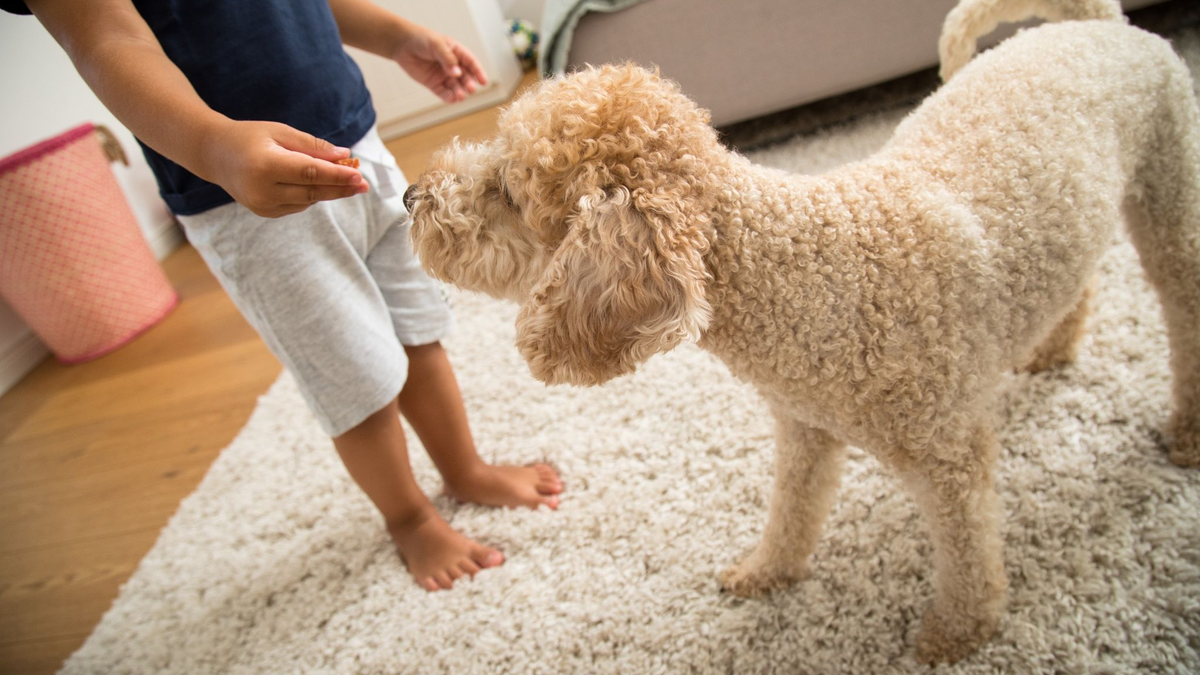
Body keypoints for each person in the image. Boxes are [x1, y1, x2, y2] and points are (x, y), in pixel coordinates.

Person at [6, 0, 563, 592]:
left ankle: (465, 470)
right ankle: (411, 518)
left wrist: (395, 35)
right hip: (241, 192)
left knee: (418, 326)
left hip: (356, 138)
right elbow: (107, 42)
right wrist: (214, 145)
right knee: (353, 376)